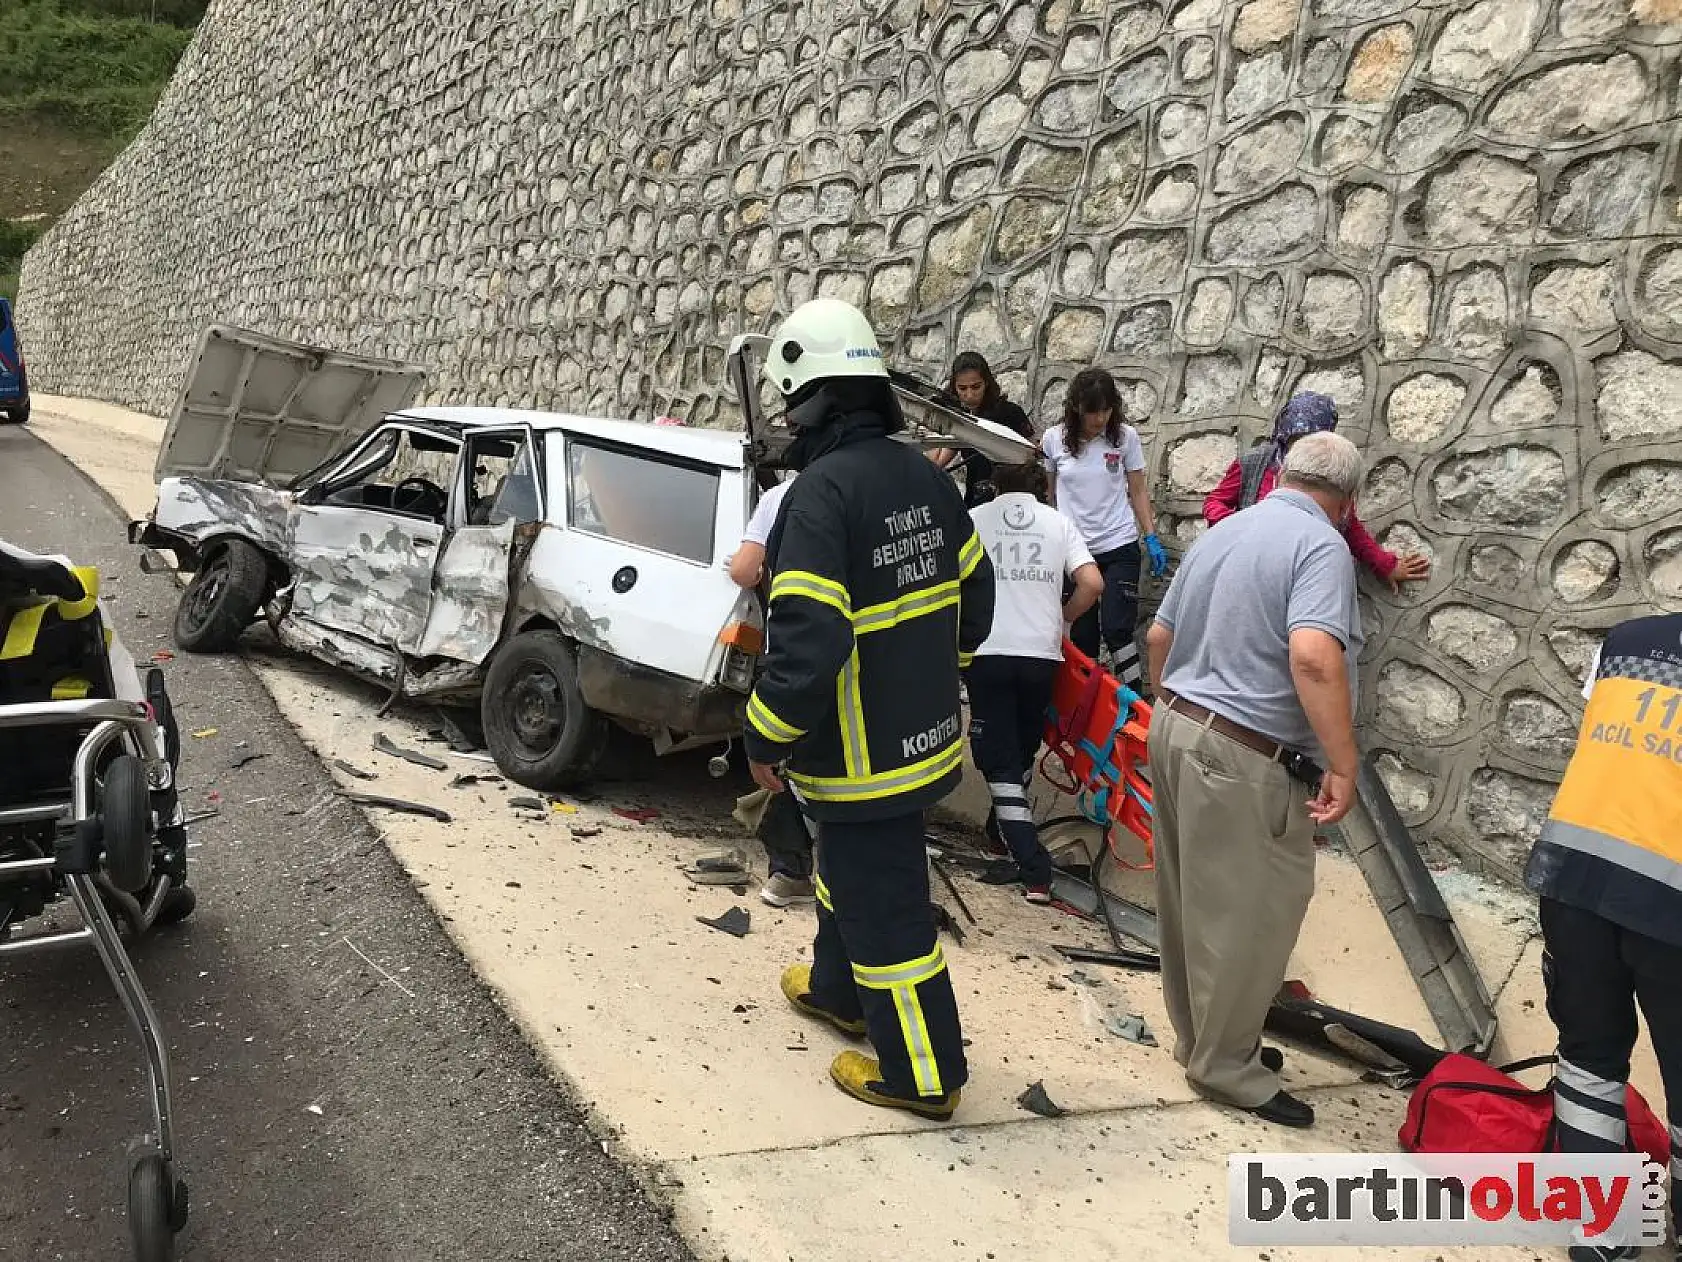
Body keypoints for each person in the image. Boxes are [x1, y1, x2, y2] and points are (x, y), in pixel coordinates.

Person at [742, 297, 995, 1122]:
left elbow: (808, 641)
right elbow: (978, 586)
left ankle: (923, 1073)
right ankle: (838, 991)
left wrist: (764, 734)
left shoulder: (821, 495)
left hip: (858, 757)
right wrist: (944, 669)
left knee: (885, 910)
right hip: (924, 738)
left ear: (808, 401)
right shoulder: (923, 475)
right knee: (845, 877)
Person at [1143, 431, 1364, 1131]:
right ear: (1348, 499)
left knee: (1188, 902)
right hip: (1243, 750)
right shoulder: (1321, 546)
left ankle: (1204, 1044)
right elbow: (1314, 656)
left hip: (1175, 724)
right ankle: (1226, 1066)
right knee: (1255, 915)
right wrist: (1344, 763)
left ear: (1285, 474)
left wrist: (1177, 709)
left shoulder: (1226, 530)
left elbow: (1158, 638)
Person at [1522, 612, 1682, 1262]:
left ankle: (1599, 1234)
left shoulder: (1628, 641)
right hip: (1671, 903)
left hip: (1574, 877)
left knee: (1588, 1058)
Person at [965, 459, 1103, 903]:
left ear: (994, 485)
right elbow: (1092, 583)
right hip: (1041, 653)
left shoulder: (974, 520)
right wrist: (1063, 618)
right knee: (1022, 748)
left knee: (998, 759)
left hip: (987, 649)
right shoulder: (1057, 522)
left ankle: (1033, 867)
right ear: (1041, 486)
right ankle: (1000, 831)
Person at [1202, 392, 1431, 594]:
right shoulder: (1254, 464)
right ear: (1284, 434)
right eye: (1295, 440)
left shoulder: (1330, 473)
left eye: (1309, 442)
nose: (1300, 449)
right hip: (1249, 567)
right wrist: (1240, 527)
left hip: (1301, 571)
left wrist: (1385, 565)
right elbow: (1214, 502)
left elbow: (1348, 525)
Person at [1040, 368, 1167, 689]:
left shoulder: (1125, 437)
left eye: (1106, 410)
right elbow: (1049, 495)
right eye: (1092, 411)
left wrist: (1150, 535)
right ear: (1076, 407)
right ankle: (1087, 703)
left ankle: (1134, 699)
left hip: (1119, 543)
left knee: (1116, 628)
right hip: (1075, 551)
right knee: (1082, 635)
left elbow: (1138, 489)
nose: (1100, 419)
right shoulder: (1054, 440)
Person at [726, 472, 817, 908]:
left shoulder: (780, 496)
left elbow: (744, 571)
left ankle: (789, 871)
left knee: (781, 759)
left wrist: (756, 570)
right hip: (863, 654)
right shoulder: (874, 491)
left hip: (792, 645)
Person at [928, 352, 1036, 508]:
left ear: (986, 383)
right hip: (976, 501)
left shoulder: (1010, 412)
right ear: (954, 388)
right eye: (962, 388)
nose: (969, 395)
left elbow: (1033, 454)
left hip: (1011, 501)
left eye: (976, 387)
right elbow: (937, 462)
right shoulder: (961, 419)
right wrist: (935, 420)